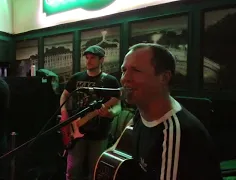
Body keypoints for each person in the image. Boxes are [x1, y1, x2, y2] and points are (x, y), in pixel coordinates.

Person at [116, 43, 222, 179]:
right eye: (124, 70)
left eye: (136, 71)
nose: (125, 78)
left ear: (164, 78)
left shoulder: (175, 134)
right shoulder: (140, 114)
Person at [60, 45, 122, 180]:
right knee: (72, 170)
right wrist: (64, 112)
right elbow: (64, 95)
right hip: (75, 131)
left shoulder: (110, 81)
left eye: (93, 58)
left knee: (95, 171)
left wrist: (110, 113)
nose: (88, 61)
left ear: (102, 60)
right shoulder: (76, 78)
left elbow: (118, 106)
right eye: (87, 58)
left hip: (99, 133)